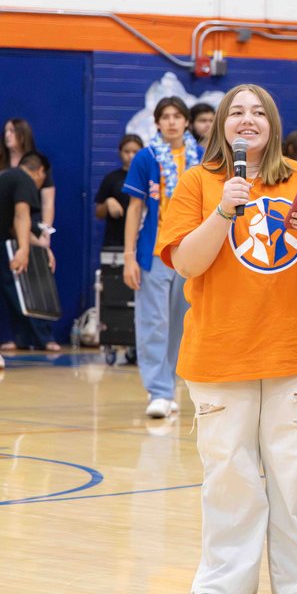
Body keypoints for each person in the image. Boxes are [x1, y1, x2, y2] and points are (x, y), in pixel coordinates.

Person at [155, 83, 297, 594]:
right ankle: (225, 586)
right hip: (220, 355)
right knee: (229, 483)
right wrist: (223, 211)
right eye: (236, 111)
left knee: (296, 484)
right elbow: (185, 263)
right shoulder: (199, 182)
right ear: (221, 124)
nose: (247, 119)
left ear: (273, 124)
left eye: (258, 112)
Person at [122, 96, 202, 418]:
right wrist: (129, 256)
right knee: (153, 322)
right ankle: (158, 390)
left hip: (192, 252)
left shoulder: (202, 159)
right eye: (165, 116)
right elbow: (135, 209)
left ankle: (171, 385)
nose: (171, 121)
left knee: (182, 324)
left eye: (177, 116)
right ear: (157, 123)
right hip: (154, 253)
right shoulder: (146, 158)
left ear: (186, 122)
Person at [0, 154, 55, 351]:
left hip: (4, 238)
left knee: (12, 289)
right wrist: (23, 250)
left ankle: (22, 338)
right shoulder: (25, 180)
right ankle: (43, 339)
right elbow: (21, 215)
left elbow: (14, 226)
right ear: (40, 171)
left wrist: (41, 247)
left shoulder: (9, 177)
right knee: (21, 288)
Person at [0, 118, 55, 258]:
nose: (7, 135)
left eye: (12, 131)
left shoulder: (36, 164)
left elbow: (47, 202)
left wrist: (45, 233)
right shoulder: (5, 165)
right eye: (5, 131)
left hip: (27, 222)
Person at [94, 134, 143, 249]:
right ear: (120, 152)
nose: (131, 156)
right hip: (116, 242)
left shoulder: (149, 178)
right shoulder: (111, 178)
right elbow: (98, 213)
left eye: (135, 152)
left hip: (144, 241)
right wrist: (107, 203)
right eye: (127, 151)